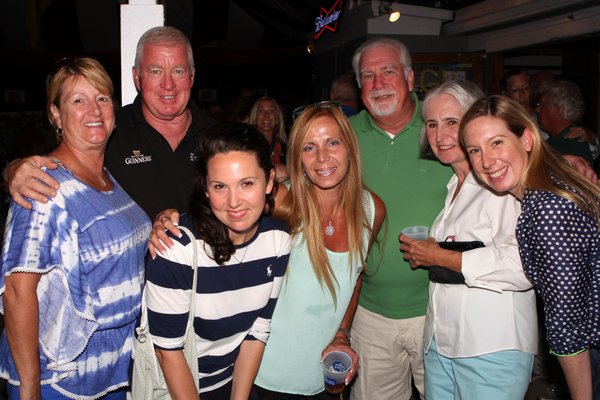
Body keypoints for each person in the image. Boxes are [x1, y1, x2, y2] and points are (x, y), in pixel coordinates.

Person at [0, 57, 151, 399]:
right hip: (62, 380)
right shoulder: (45, 187)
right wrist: (30, 387)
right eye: (77, 100)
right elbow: (17, 291)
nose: (94, 109)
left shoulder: (105, 177)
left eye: (101, 97)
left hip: (112, 369)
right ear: (55, 114)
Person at [399, 80, 537, 399]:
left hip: (492, 347)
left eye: (451, 122)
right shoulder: (454, 185)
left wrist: (440, 257)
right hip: (441, 345)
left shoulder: (501, 181)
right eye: (431, 124)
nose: (439, 134)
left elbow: (523, 265)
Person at [461, 95, 600, 400]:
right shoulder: (549, 182)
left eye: (496, 142)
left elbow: (567, 329)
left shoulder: (546, 209)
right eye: (475, 149)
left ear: (525, 138)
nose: (486, 160)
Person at [5, 26, 216, 219]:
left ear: (192, 77)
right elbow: (59, 163)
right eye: (156, 71)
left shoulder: (219, 136)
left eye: (178, 71)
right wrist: (14, 170)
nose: (168, 84)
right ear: (137, 77)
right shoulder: (108, 130)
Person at [144, 123, 291, 399]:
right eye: (220, 186)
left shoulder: (278, 241)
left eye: (247, 183)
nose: (234, 201)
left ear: (269, 182)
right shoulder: (177, 247)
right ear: (206, 189)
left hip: (230, 383)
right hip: (175, 388)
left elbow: (257, 331)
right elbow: (168, 350)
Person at [253, 103, 385, 399]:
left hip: (322, 376)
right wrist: (171, 219)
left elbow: (356, 277)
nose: (323, 157)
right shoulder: (283, 202)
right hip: (262, 374)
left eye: (333, 143)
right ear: (297, 158)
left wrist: (342, 334)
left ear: (350, 148)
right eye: (309, 147)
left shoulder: (372, 210)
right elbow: (223, 213)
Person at [348, 37, 453, 400]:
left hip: (440, 309)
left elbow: (499, 153)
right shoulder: (344, 136)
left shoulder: (443, 124)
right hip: (371, 313)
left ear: (410, 79)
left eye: (388, 72)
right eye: (368, 76)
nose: (378, 84)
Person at [536, 79, 595, 164]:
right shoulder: (560, 142)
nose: (537, 109)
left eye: (541, 104)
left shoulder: (571, 146)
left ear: (557, 109)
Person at [248, 96, 288, 183]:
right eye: (261, 111)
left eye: (271, 111)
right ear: (255, 117)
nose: (266, 115)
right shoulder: (246, 146)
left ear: (277, 118)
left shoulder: (286, 148)